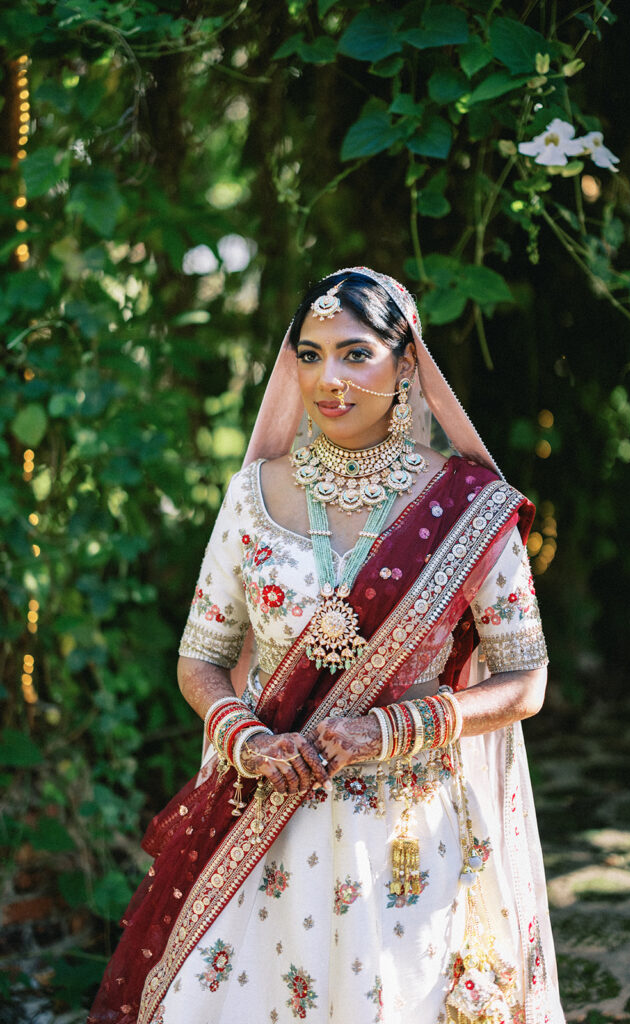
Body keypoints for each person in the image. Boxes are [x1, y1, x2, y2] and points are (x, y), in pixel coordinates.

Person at [88, 268, 564, 1024]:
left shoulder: (470, 506)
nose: (328, 379)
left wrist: (387, 729)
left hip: (410, 827)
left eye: (355, 353)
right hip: (266, 821)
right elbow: (201, 657)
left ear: (406, 365)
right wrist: (247, 740)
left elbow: (524, 682)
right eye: (309, 356)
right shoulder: (252, 495)